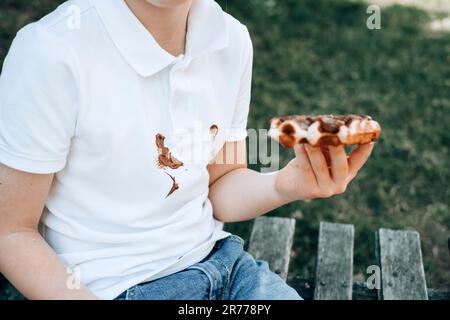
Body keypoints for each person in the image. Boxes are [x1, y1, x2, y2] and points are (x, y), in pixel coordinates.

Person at [0, 0, 374, 300]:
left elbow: (221, 183)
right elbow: (11, 233)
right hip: (108, 287)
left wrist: (286, 185)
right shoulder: (52, 52)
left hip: (224, 267)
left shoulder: (230, 39)